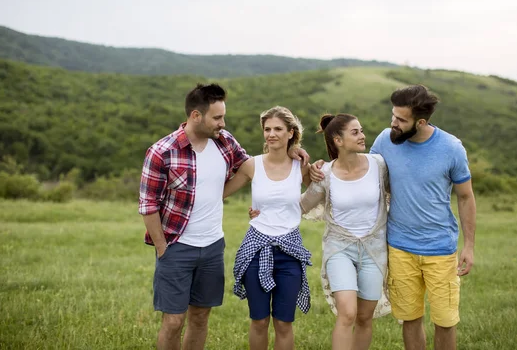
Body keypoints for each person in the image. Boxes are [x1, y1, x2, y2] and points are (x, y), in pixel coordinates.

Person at [138, 85, 309, 350]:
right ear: (196, 116)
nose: (223, 123)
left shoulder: (225, 142)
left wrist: (292, 151)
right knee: (173, 321)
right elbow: (148, 204)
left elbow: (255, 166)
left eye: (223, 117)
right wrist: (162, 246)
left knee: (200, 317)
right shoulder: (162, 152)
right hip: (176, 246)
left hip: (213, 247)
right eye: (217, 118)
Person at [313, 84, 476, 350]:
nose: (393, 124)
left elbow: (466, 196)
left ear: (420, 122)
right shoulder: (385, 141)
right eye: (393, 116)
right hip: (398, 248)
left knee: (445, 321)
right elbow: (357, 169)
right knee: (410, 319)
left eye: (401, 120)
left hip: (441, 249)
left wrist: (469, 245)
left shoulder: (451, 148)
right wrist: (322, 165)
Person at [298, 113, 391, 350]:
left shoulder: (379, 165)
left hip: (374, 250)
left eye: (361, 130)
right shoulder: (325, 173)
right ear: (338, 140)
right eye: (355, 132)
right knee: (347, 313)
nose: (363, 136)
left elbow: (401, 190)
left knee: (364, 317)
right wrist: (304, 171)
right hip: (339, 250)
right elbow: (301, 205)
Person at [223, 106, 312, 350]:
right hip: (256, 249)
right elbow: (221, 192)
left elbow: (321, 192)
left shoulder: (300, 166)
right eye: (267, 129)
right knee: (259, 321)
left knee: (284, 323)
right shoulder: (252, 165)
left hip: (290, 253)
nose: (271, 134)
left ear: (291, 133)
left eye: (278, 129)